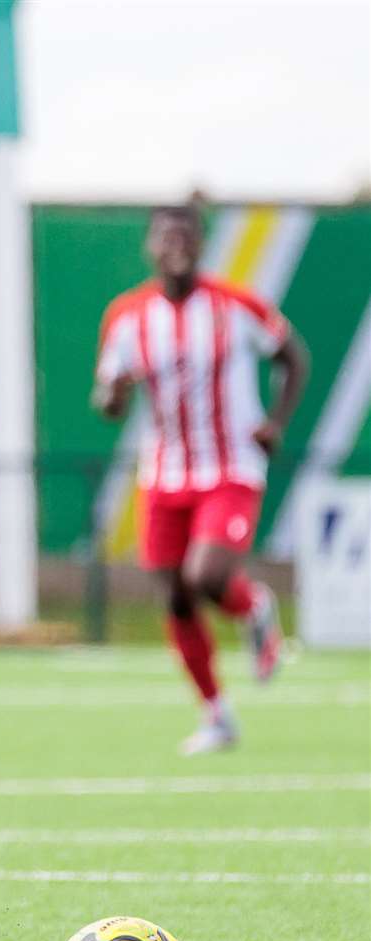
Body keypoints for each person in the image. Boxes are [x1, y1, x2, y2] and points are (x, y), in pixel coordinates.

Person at [92, 204, 308, 755]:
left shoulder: (234, 306)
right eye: (166, 236)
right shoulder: (127, 316)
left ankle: (253, 607)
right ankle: (216, 713)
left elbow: (293, 357)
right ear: (151, 247)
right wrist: (111, 399)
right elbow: (109, 397)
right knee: (177, 598)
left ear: (200, 243)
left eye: (186, 235)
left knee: (207, 574)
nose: (176, 245)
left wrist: (275, 423)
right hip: (164, 473)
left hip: (230, 467)